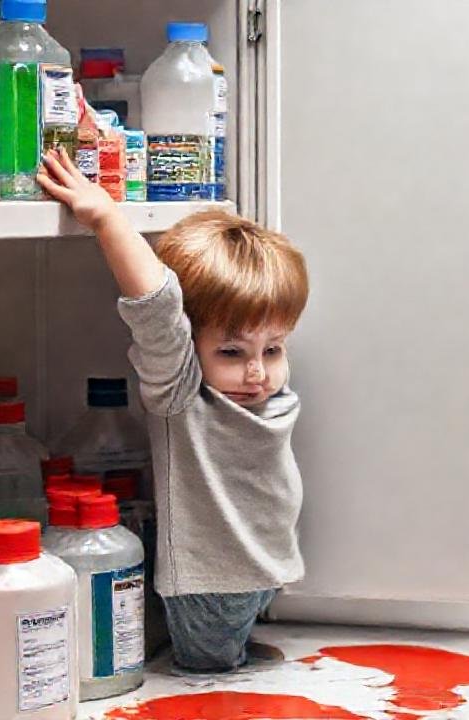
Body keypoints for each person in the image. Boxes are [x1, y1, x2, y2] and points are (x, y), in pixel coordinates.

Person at [37, 148, 309, 672]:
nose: (257, 373)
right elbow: (159, 312)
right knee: (209, 686)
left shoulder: (263, 391)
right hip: (210, 586)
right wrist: (107, 218)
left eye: (272, 350)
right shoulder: (182, 396)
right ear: (192, 348)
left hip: (261, 573)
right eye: (231, 352)